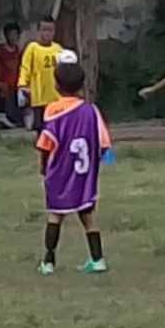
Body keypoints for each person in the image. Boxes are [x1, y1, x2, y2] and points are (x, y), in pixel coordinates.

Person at [35, 62, 111, 274]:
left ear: (56, 85)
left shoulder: (53, 110)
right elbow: (103, 142)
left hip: (61, 172)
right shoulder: (91, 110)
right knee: (88, 215)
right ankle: (98, 260)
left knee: (55, 215)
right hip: (84, 174)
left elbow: (45, 143)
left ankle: (48, 262)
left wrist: (42, 166)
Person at [17, 17, 64, 131]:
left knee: (56, 125)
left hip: (56, 96)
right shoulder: (32, 48)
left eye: (50, 30)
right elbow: (25, 68)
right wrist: (22, 85)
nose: (47, 33)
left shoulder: (58, 49)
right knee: (40, 126)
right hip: (39, 96)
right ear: (38, 31)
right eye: (44, 30)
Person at [0, 22, 23, 127]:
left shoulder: (18, 51)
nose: (13, 37)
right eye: (11, 34)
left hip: (16, 81)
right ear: (6, 36)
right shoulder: (1, 51)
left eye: (15, 34)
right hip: (3, 81)